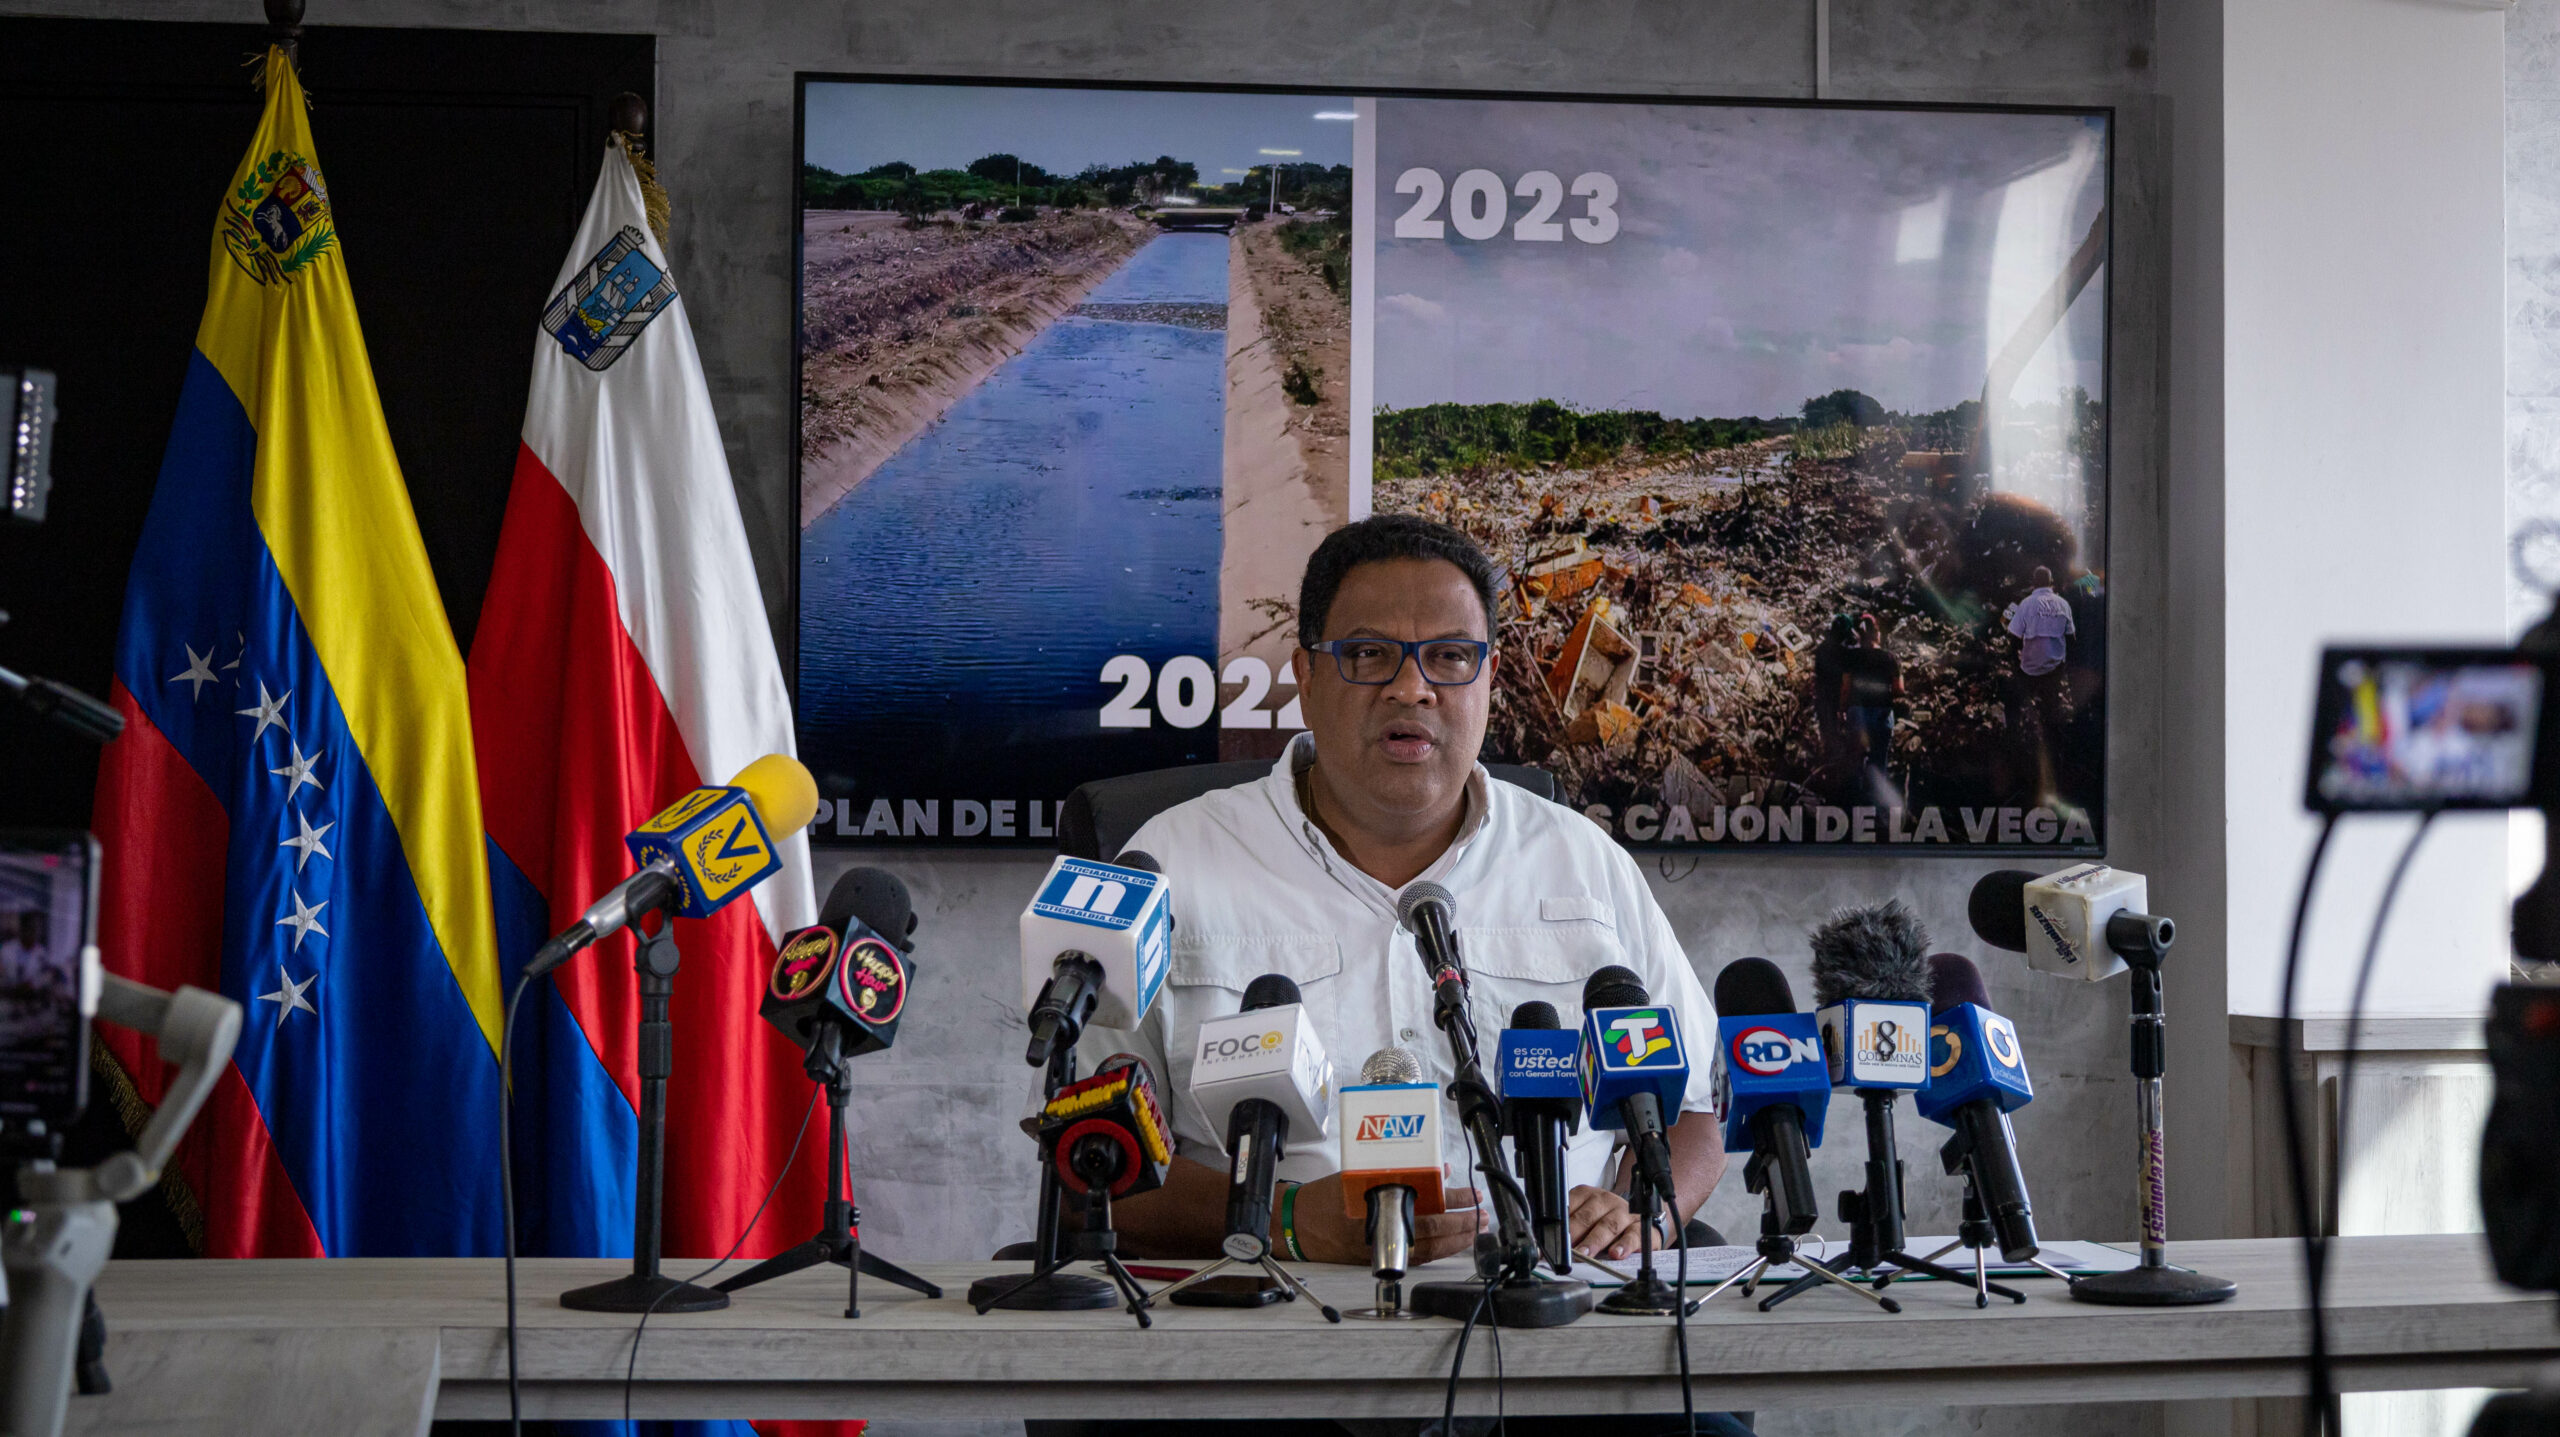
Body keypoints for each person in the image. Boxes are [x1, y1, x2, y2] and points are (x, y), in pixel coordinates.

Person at [1061, 513, 1742, 1437]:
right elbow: (1090, 1159)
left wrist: (1645, 1212)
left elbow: (1696, 1102)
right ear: (1304, 677)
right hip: (1262, 1369)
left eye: (1451, 657)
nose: (1413, 688)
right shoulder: (1165, 864)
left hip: (1556, 1359)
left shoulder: (1584, 864)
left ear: (1490, 679)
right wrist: (1291, 1220)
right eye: (1370, 655)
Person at [1837, 612, 1902, 786]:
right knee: (1879, 760)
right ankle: (1876, 800)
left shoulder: (1851, 657)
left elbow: (1845, 688)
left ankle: (1855, 797)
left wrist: (1842, 710)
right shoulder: (1890, 658)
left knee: (1855, 758)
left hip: (1857, 713)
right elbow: (1899, 690)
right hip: (1882, 714)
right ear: (1876, 633)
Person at [2006, 566, 2076, 678]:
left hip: (2030, 669)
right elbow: (2071, 638)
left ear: (2033, 582)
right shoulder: (2063, 604)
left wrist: (2015, 666)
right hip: (2056, 669)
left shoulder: (2025, 603)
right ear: (2051, 581)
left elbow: (2014, 637)